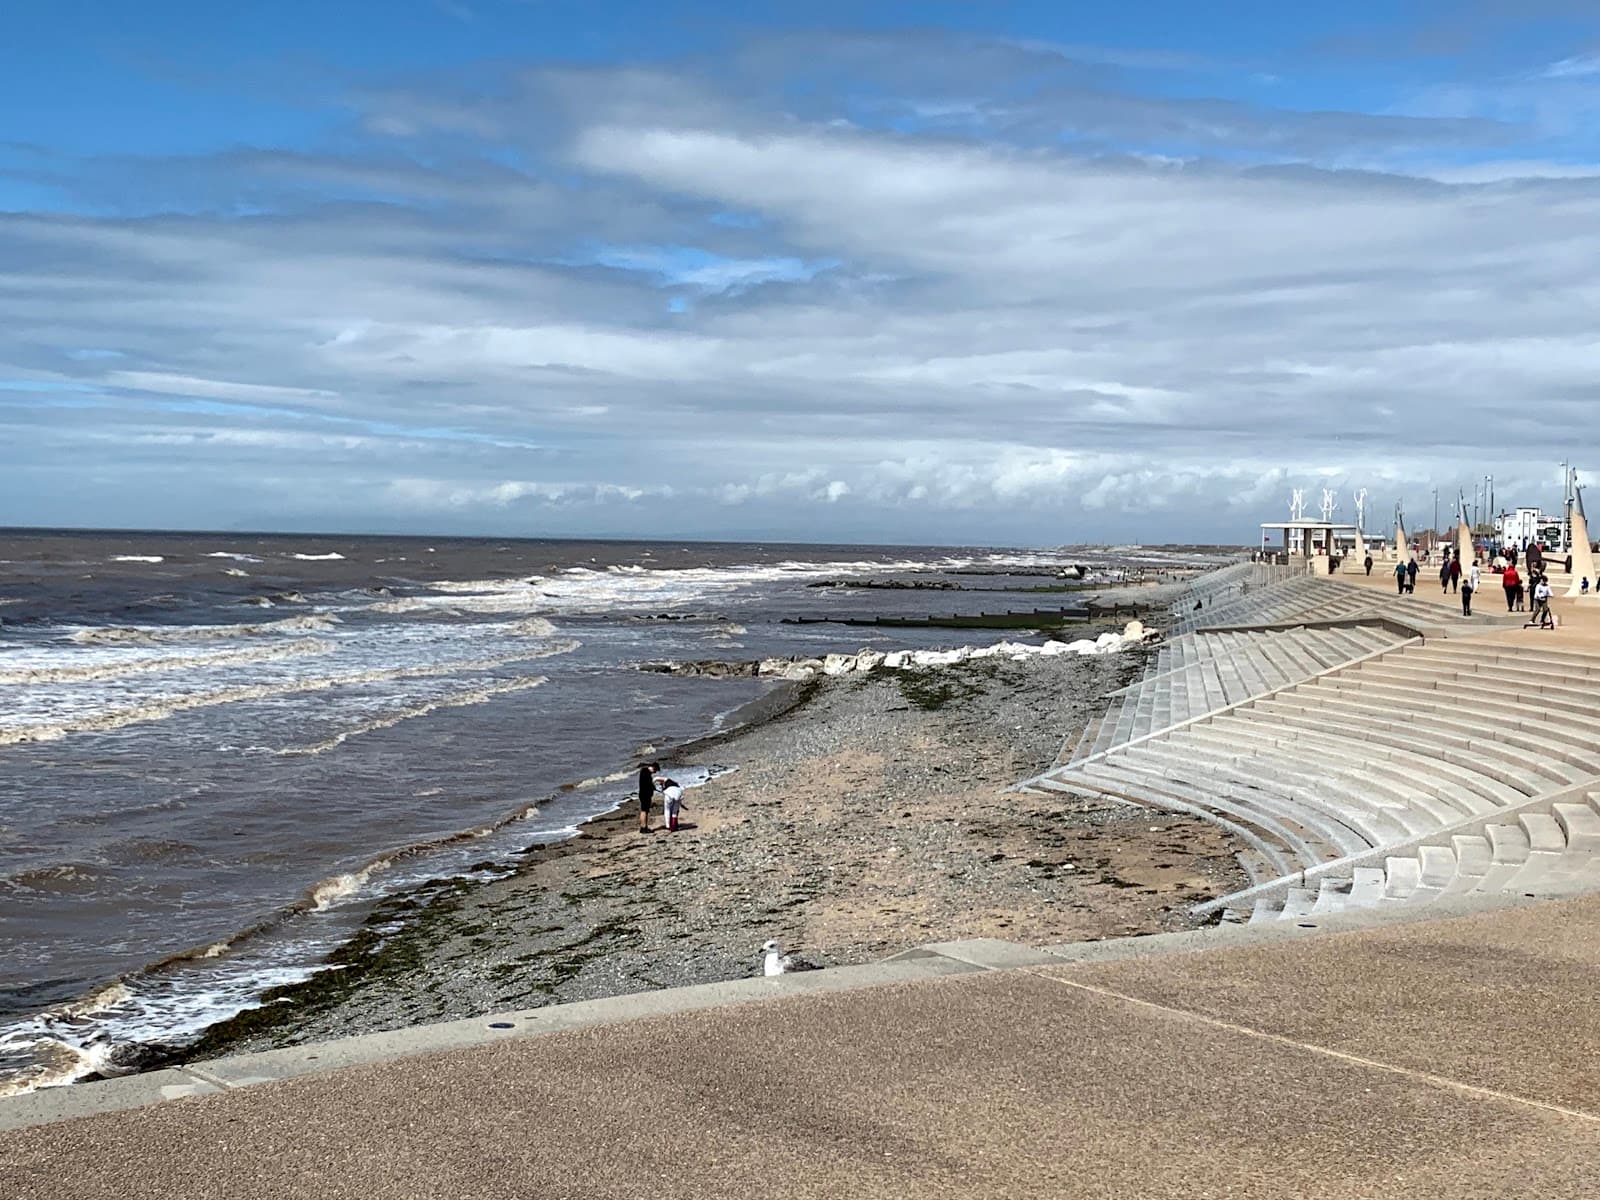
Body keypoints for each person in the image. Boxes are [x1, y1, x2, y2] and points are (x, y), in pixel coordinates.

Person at [637, 761, 660, 833]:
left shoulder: (645, 772)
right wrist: (652, 787)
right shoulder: (646, 773)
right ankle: (643, 827)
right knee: (644, 811)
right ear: (653, 768)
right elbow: (647, 784)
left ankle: (644, 827)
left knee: (645, 810)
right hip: (645, 795)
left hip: (644, 794)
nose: (655, 772)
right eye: (655, 770)